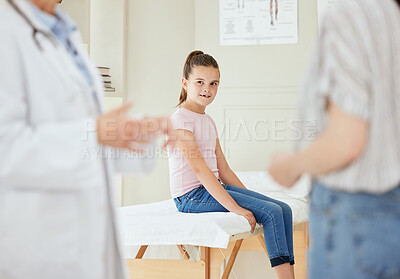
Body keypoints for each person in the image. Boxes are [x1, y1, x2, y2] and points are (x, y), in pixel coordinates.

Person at [0, 1, 174, 279]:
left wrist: (133, 131)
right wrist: (93, 134)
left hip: (86, 236)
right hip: (37, 242)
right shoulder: (6, 30)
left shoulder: (62, 30)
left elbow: (83, 132)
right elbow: (7, 149)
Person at [268, 0, 400, 278]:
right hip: (385, 213)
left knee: (272, 210)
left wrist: (291, 166)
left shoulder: (350, 14)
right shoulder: (389, 14)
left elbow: (346, 142)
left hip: (355, 218)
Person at [168, 50, 295, 279]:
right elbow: (200, 170)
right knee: (272, 213)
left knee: (283, 209)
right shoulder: (180, 120)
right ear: (185, 83)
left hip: (209, 189)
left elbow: (223, 169)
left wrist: (252, 198)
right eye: (200, 82)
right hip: (190, 197)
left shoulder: (208, 120)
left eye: (213, 83)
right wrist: (235, 207)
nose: (207, 88)